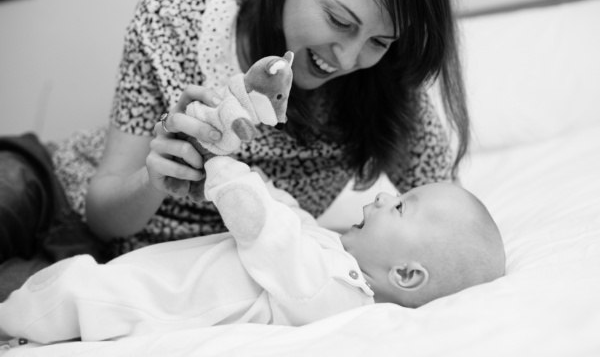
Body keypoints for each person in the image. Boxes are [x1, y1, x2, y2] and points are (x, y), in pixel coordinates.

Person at [0, 0, 469, 262]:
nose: (347, 59)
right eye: (339, 21)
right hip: (55, 191)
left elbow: (449, 230)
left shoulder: (385, 89)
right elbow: (101, 213)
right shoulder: (175, 15)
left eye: (380, 41)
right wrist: (154, 179)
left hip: (118, 274)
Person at [0, 153, 505, 345]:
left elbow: (266, 228)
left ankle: (11, 327)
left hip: (151, 298)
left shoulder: (335, 291)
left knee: (69, 294)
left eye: (400, 208)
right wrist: (272, 188)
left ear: (408, 276)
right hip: (151, 273)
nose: (383, 195)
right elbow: (296, 221)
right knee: (70, 285)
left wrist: (225, 168)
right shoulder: (337, 262)